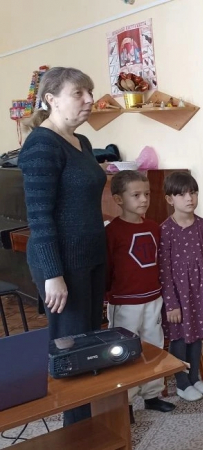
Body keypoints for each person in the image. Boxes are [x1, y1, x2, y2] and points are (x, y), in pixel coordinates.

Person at [18, 67, 106, 425]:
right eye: (78, 93)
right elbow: (39, 216)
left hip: (91, 257)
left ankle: (98, 420)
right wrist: (53, 274)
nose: (89, 99)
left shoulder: (81, 142)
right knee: (71, 350)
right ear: (51, 99)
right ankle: (78, 430)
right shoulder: (42, 144)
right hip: (62, 264)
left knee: (91, 343)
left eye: (90, 92)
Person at [105, 171, 175, 421]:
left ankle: (152, 394)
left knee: (153, 345)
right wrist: (108, 295)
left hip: (153, 298)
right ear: (118, 199)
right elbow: (107, 267)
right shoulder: (113, 232)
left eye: (146, 194)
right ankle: (125, 402)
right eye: (136, 195)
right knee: (124, 352)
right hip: (125, 303)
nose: (144, 199)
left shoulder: (153, 227)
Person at [160, 172, 203, 401]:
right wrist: (171, 303)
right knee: (179, 338)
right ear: (170, 199)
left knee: (197, 335)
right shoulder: (165, 229)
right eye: (182, 194)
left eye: (193, 193)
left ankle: (194, 378)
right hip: (178, 295)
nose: (189, 198)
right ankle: (182, 384)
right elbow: (164, 270)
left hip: (200, 292)